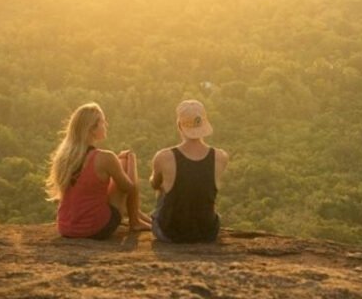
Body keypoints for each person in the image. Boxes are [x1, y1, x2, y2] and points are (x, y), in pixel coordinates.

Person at [46, 102, 151, 239]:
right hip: (95, 228)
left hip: (66, 227)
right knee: (125, 161)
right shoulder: (105, 157)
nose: (106, 125)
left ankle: (137, 215)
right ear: (92, 129)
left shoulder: (64, 157)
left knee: (115, 169)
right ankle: (135, 221)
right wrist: (131, 161)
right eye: (103, 122)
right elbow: (128, 187)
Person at [149, 100, 229, 243]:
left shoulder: (163, 157)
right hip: (207, 233)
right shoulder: (221, 157)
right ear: (204, 123)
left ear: (179, 125)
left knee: (163, 189)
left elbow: (155, 184)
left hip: (170, 234)